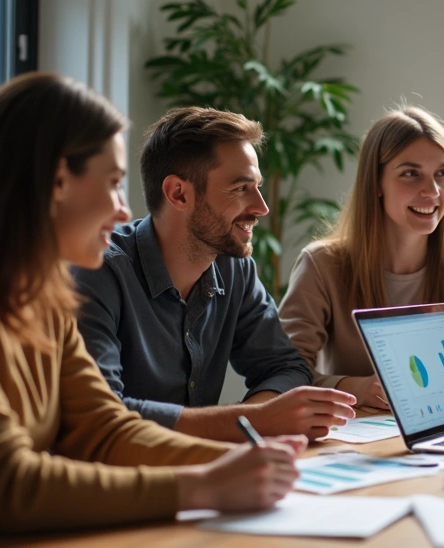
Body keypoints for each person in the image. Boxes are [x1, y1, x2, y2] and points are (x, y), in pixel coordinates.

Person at [0, 73, 307, 535]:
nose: (124, 211)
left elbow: (105, 430)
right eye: (112, 183)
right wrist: (204, 485)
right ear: (58, 180)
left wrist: (247, 465)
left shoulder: (40, 292)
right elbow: (5, 484)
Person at [73, 107, 356, 442]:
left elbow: (288, 368)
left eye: (258, 186)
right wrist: (254, 421)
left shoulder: (234, 268)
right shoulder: (98, 274)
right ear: (179, 193)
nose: (261, 207)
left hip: (206, 470)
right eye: (241, 188)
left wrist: (258, 419)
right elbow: (104, 413)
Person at [280, 106, 444, 408]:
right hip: (355, 435)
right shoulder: (321, 264)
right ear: (375, 182)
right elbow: (286, 374)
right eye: (410, 174)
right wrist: (358, 389)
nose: (432, 191)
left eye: (442, 173)